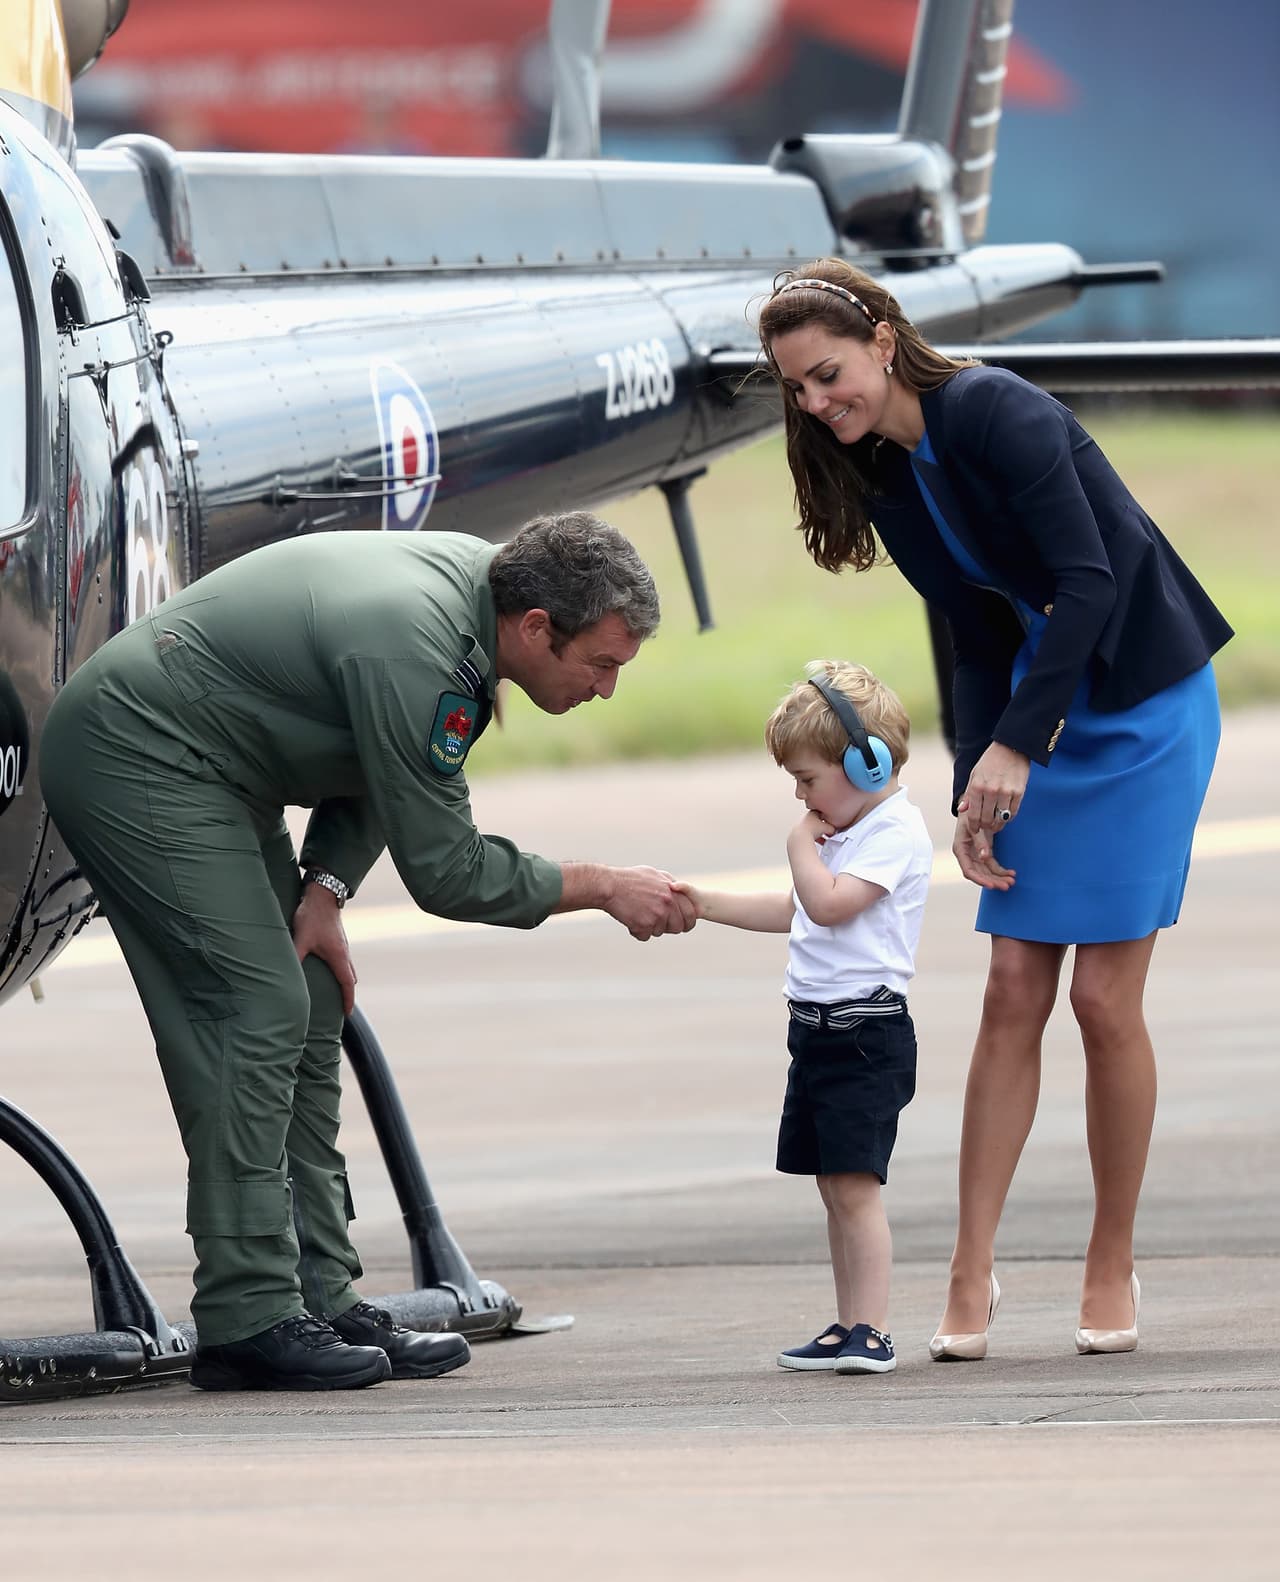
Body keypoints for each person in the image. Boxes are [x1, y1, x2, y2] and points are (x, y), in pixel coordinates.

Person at [41, 512, 695, 1392]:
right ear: (538, 629)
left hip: (220, 765)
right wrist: (605, 886)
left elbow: (387, 762)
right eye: (603, 664)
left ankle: (319, 1295)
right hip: (140, 753)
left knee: (310, 996)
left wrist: (327, 891)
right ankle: (248, 1316)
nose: (608, 688)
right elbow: (450, 870)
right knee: (256, 1008)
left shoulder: (484, 601)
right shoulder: (420, 646)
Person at [754, 260, 1231, 1359]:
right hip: (1033, 710)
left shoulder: (994, 409)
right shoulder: (883, 470)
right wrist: (977, 775)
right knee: (1013, 984)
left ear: (880, 336)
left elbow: (1089, 580)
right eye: (800, 393)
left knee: (1104, 1001)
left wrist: (1017, 743)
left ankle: (1108, 1258)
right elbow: (973, 630)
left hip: (1141, 706)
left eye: (829, 375)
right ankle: (971, 1267)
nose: (821, 405)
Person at [675, 660, 931, 1375]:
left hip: (864, 1033)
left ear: (867, 762)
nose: (800, 795)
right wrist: (705, 903)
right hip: (816, 1029)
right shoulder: (845, 836)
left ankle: (873, 1329)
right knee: (831, 1184)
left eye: (808, 778)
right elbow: (796, 913)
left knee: (856, 1185)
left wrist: (797, 847)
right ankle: (848, 1322)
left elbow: (825, 904)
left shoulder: (893, 834)